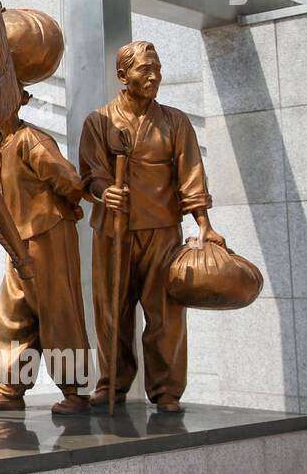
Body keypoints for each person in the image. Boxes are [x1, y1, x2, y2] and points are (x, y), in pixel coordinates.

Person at [79, 41, 222, 413]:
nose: (154, 75)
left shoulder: (175, 121)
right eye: (145, 69)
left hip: (161, 230)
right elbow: (90, 172)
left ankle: (167, 389)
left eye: (156, 67)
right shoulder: (99, 121)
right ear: (123, 76)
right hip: (113, 231)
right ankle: (112, 382)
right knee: (112, 312)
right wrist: (103, 191)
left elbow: (191, 178)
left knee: (165, 313)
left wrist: (203, 225)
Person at [0, 89, 93, 414]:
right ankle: (11, 386)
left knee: (58, 311)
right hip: (18, 240)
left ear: (15, 101)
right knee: (13, 312)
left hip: (48, 235)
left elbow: (70, 181)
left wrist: (78, 199)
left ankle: (75, 389)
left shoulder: (30, 139)